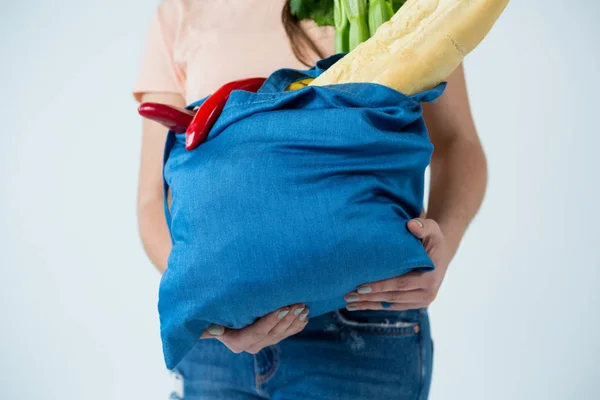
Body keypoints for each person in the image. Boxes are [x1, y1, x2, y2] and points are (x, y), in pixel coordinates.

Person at [133, 1, 487, 399]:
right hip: (215, 349)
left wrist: (444, 248)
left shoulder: (391, 3)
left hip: (362, 322)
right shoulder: (182, 9)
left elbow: (459, 143)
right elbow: (152, 198)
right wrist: (215, 308)